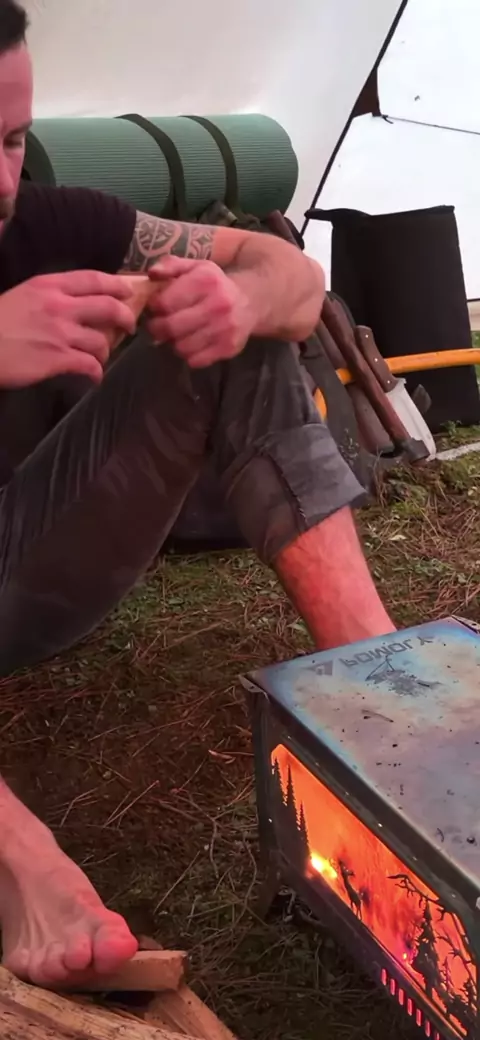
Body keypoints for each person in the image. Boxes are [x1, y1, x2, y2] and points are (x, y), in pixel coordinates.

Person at [0, 0, 395, 990]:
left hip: (18, 567)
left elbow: (289, 274)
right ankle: (22, 864)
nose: (2, 182)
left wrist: (237, 298)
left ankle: (386, 700)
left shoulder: (49, 220)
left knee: (236, 336)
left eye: (9, 142)